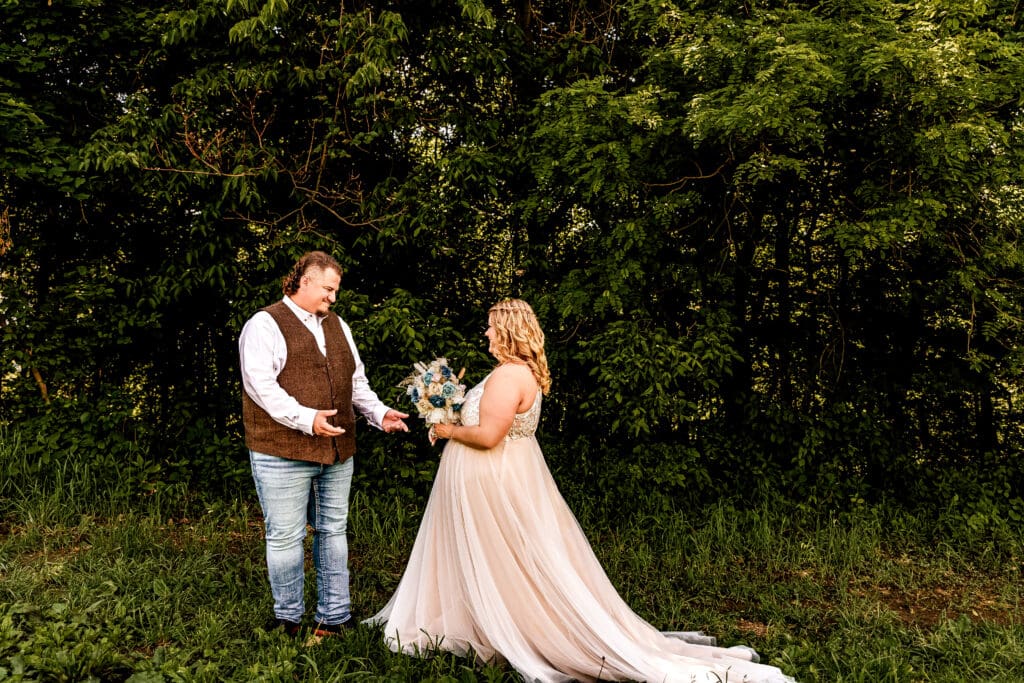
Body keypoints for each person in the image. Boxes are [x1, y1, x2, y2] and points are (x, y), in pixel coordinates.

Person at [367, 298, 797, 683]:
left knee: (503, 556)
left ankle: (513, 628)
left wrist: (445, 427)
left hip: (492, 479)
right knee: (503, 557)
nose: (486, 332)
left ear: (508, 330)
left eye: (491, 326)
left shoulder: (507, 377)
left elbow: (489, 436)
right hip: (504, 475)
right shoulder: (520, 374)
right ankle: (486, 622)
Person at [239, 250, 409, 638]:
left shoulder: (337, 325)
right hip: (281, 451)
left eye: (336, 291)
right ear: (306, 281)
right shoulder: (264, 325)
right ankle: (288, 620)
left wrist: (379, 414)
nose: (333, 298)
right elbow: (260, 387)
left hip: (337, 450)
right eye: (329, 289)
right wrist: (307, 419)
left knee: (333, 531)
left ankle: (334, 616)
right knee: (285, 537)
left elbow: (356, 382)